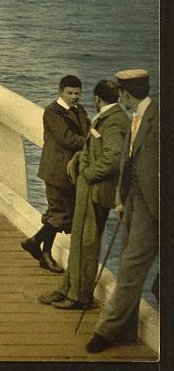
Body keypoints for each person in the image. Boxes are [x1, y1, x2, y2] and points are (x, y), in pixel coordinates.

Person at [86, 69, 159, 353]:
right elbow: (128, 164)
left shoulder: (158, 119)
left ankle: (104, 332)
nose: (121, 99)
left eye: (122, 95)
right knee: (130, 268)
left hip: (152, 209)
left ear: (127, 94)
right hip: (133, 204)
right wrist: (121, 199)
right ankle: (126, 333)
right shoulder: (137, 117)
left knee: (129, 271)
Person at [38, 80, 128, 309]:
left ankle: (78, 297)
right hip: (87, 188)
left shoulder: (115, 121)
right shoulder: (107, 117)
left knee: (86, 244)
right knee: (78, 241)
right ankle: (66, 289)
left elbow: (111, 158)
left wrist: (87, 174)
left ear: (97, 98)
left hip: (95, 190)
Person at [21, 75, 88, 272]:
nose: (74, 97)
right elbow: (66, 139)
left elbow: (89, 129)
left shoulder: (79, 110)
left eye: (77, 93)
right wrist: (92, 141)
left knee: (56, 213)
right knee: (61, 214)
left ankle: (41, 250)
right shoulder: (52, 112)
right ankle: (37, 246)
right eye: (70, 93)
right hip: (56, 170)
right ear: (61, 92)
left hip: (70, 171)